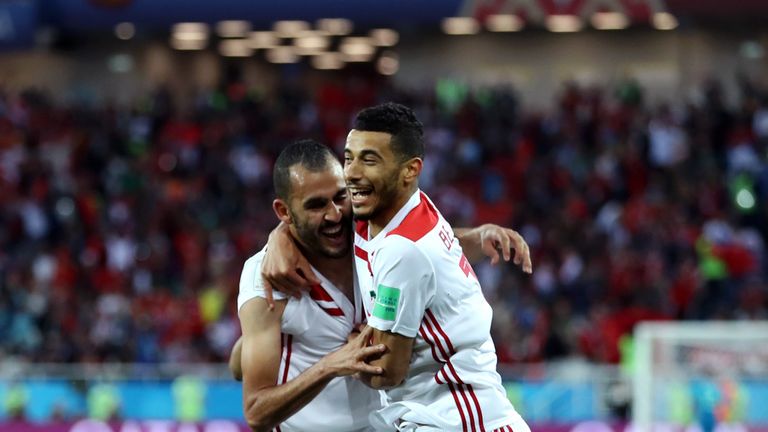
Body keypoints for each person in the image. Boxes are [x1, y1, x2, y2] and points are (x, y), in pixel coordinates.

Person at [262, 103, 531, 432]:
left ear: (410, 171)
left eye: (369, 160)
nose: (352, 172)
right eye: (349, 157)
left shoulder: (403, 251)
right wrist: (280, 237)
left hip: (460, 420)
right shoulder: (386, 211)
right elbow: (313, 219)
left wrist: (353, 352)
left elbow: (388, 372)